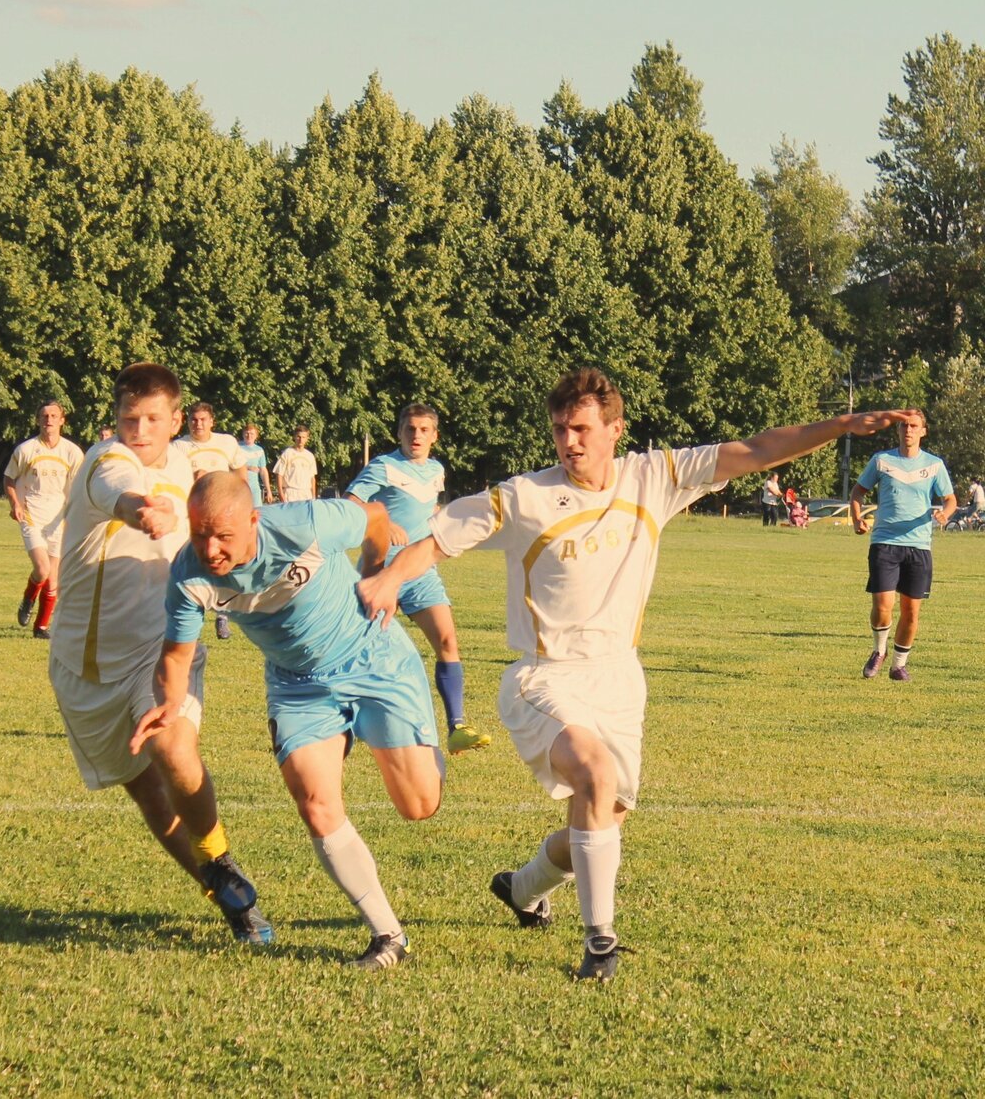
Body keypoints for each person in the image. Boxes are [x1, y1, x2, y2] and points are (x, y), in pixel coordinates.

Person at [358, 367, 915, 983]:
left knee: (602, 817)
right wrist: (388, 580)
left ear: (615, 430)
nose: (569, 442)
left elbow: (758, 450)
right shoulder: (523, 496)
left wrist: (838, 425)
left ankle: (523, 887)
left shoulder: (656, 476)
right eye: (560, 430)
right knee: (594, 777)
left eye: (582, 429)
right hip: (544, 678)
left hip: (620, 678)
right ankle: (600, 944)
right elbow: (435, 540)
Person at [132, 471, 445, 969]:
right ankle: (389, 936)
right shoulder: (188, 575)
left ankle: (416, 744)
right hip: (299, 687)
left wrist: (376, 570)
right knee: (316, 805)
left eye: (223, 536)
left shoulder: (306, 524)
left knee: (419, 805)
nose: (210, 549)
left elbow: (376, 517)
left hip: (374, 658)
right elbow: (174, 656)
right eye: (199, 534)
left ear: (254, 520)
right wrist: (171, 703)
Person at [49, 363, 272, 945]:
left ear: (178, 419)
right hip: (84, 663)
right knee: (147, 790)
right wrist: (141, 510)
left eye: (153, 419)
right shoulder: (104, 461)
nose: (140, 430)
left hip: (163, 646)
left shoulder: (191, 468)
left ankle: (220, 862)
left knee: (171, 745)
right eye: (129, 419)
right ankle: (215, 883)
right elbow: (117, 492)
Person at [346, 403, 487, 755]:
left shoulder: (436, 470)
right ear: (399, 433)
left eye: (424, 430)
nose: (416, 436)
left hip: (422, 572)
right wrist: (381, 520)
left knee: (447, 640)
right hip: (380, 571)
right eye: (410, 429)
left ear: (435, 436)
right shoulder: (383, 466)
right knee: (363, 652)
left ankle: (457, 727)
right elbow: (348, 505)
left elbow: (425, 510)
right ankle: (345, 724)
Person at [851, 411, 956, 683]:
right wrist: (856, 518)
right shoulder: (881, 461)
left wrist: (945, 514)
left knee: (911, 612)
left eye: (913, 426)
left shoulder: (934, 465)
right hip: (885, 543)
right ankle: (878, 651)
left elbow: (950, 499)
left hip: (919, 546)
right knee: (883, 606)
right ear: (898, 430)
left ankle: (898, 665)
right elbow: (858, 492)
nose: (908, 430)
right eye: (903, 425)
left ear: (923, 431)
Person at [3, 400, 85, 640]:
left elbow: (79, 487)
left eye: (53, 415)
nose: (48, 420)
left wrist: (77, 514)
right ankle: (29, 598)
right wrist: (15, 504)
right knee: (42, 568)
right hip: (31, 515)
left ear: (62, 420)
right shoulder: (26, 450)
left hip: (58, 519)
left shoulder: (72, 452)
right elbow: (9, 478)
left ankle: (41, 627)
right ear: (38, 420)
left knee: (52, 581)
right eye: (44, 416)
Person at [174, 402, 248, 640]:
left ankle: (222, 614)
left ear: (212, 421)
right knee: (189, 565)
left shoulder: (226, 442)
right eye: (194, 420)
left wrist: (239, 498)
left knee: (221, 563)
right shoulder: (179, 447)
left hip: (222, 517)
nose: (198, 424)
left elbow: (240, 470)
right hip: (191, 517)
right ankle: (189, 613)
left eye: (203, 419)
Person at [274, 425, 318, 502]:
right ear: (294, 437)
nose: (301, 440)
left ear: (307, 438)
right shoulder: (287, 453)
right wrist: (281, 494)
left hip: (306, 494)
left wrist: (313, 497)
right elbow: (279, 474)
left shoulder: (310, 456)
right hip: (290, 493)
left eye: (303, 437)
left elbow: (312, 478)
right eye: (298, 436)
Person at [239, 423, 274, 506]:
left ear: (256, 436)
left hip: (254, 487)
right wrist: (248, 467)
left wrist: (268, 490)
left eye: (252, 434)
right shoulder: (237, 447)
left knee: (256, 512)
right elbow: (230, 465)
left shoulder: (259, 450)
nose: (249, 436)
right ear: (243, 434)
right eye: (246, 433)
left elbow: (263, 471)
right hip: (239, 487)